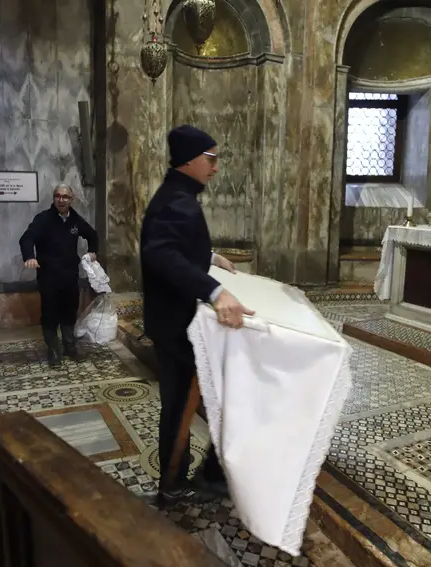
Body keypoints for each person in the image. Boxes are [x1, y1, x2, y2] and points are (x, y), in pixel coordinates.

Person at [140, 124, 253, 506]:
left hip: (176, 321)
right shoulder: (177, 200)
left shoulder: (178, 194)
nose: (216, 167)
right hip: (176, 325)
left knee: (197, 399)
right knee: (179, 404)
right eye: (211, 158)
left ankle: (209, 472)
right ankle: (172, 484)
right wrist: (214, 291)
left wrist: (208, 258)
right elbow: (160, 255)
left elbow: (175, 246)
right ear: (189, 160)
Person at [20, 184, 98, 367]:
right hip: (49, 276)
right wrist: (29, 257)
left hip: (70, 275)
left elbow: (92, 235)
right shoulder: (43, 219)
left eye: (65, 197)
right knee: (50, 313)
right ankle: (53, 350)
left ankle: (70, 346)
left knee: (70, 310)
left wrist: (93, 251)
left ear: (72, 199)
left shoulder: (75, 220)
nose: (61, 200)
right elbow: (26, 238)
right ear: (54, 198)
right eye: (58, 196)